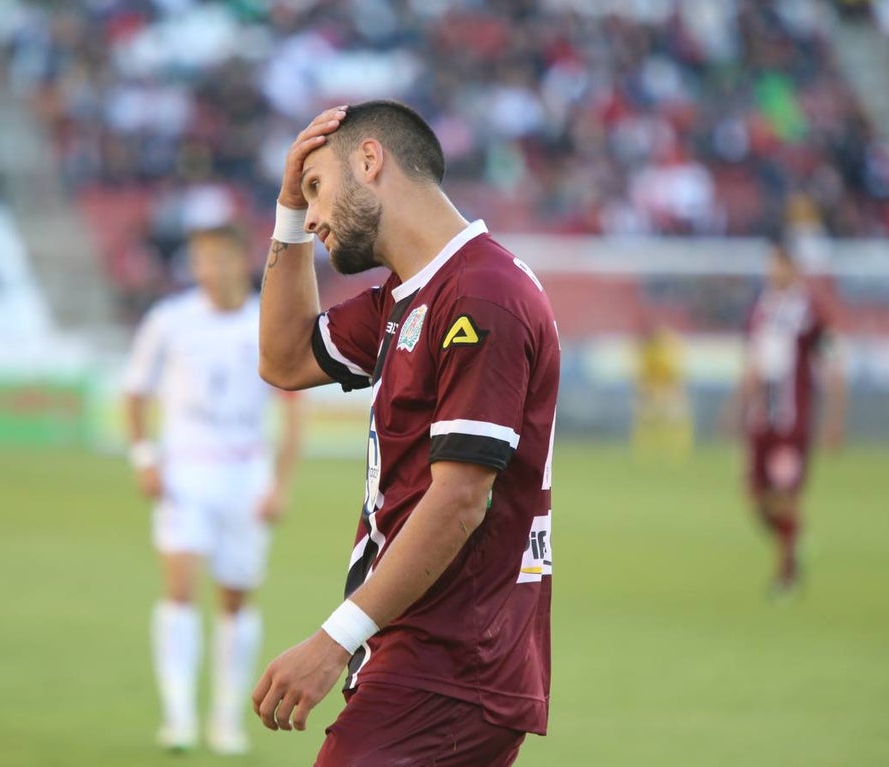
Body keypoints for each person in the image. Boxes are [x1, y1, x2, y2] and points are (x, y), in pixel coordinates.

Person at [252, 100, 560, 766]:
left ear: (370, 160)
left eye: (316, 189)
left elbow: (459, 499)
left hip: (451, 658)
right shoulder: (410, 294)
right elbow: (283, 356)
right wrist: (285, 208)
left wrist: (332, 639)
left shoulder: (481, 294)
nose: (312, 216)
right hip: (424, 653)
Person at [123, 224, 303, 754]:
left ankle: (226, 719)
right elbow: (135, 392)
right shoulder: (169, 320)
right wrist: (144, 457)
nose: (209, 271)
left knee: (235, 599)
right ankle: (178, 716)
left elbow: (294, 409)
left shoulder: (266, 322)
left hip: (245, 476)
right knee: (179, 590)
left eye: (219, 260)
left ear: (241, 261)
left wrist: (279, 484)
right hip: (185, 474)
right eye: (200, 261)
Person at [724, 240, 846, 597]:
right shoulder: (760, 309)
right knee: (755, 499)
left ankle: (787, 576)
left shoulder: (810, 310)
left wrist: (835, 419)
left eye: (777, 264)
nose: (771, 271)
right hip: (762, 420)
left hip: (792, 421)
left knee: (783, 495)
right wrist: (736, 409)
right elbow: (754, 365)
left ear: (792, 268)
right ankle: (795, 537)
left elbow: (834, 362)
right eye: (769, 265)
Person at [631, 317, 692, 462]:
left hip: (669, 390)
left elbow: (675, 372)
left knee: (673, 422)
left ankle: (677, 452)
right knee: (647, 423)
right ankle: (646, 453)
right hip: (651, 391)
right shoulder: (644, 350)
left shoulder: (668, 348)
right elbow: (640, 373)